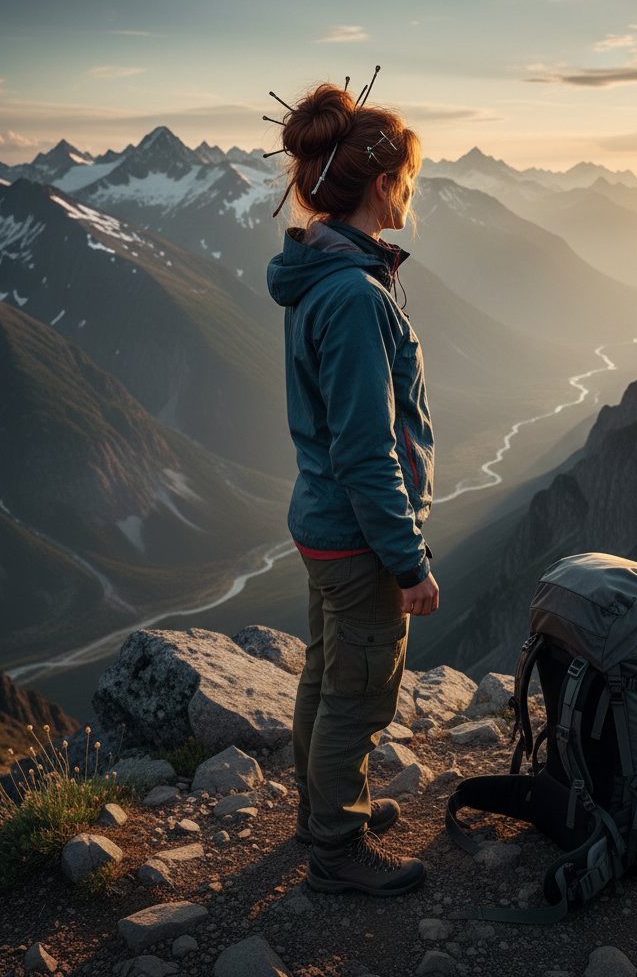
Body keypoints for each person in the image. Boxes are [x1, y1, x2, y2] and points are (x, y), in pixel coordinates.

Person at [266, 74, 438, 897]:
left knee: (325, 672)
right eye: (407, 176)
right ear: (381, 183)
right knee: (359, 696)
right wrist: (408, 561)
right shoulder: (354, 295)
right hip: (360, 534)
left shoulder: (321, 276)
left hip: (322, 522)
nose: (411, 190)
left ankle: (322, 813)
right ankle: (336, 850)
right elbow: (369, 450)